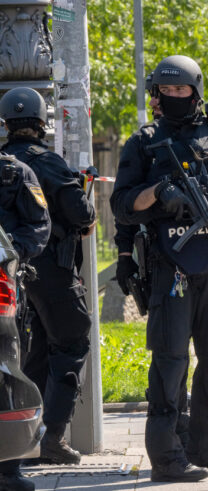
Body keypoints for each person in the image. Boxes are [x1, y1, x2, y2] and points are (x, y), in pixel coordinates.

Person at [110, 55, 208, 482]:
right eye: (166, 91)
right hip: (168, 268)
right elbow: (121, 205)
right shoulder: (143, 142)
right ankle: (167, 456)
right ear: (157, 95)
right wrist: (156, 192)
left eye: (181, 91)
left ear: (196, 91)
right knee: (170, 362)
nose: (174, 98)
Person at [0, 87, 97, 466]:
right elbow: (82, 214)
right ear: (42, 122)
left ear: (7, 123)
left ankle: (29, 436)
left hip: (14, 274)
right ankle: (53, 435)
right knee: (72, 341)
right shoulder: (48, 162)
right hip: (51, 269)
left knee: (35, 351)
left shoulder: (4, 160)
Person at [0, 151, 51, 491]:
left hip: (4, 281)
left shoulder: (13, 171)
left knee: (7, 376)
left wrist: (12, 253)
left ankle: (8, 469)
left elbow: (39, 224)